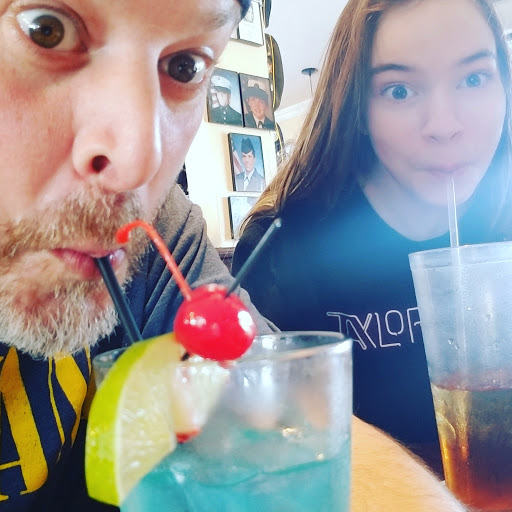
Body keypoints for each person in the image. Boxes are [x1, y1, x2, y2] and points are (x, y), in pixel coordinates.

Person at [0, 0, 466, 511]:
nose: (139, 163)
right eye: (46, 30)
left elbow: (294, 428)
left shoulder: (153, 237)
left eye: (185, 66)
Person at [233, 0, 512, 478]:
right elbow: (271, 455)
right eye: (399, 90)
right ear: (357, 107)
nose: (444, 126)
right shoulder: (284, 250)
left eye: (473, 79)